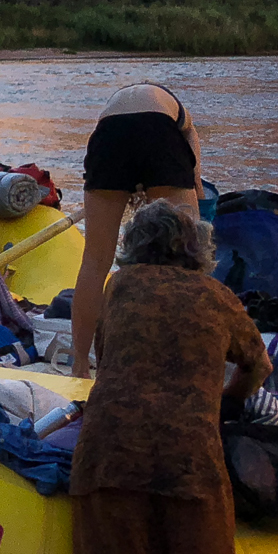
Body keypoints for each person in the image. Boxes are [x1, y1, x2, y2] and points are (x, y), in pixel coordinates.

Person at [68, 199, 272, 554]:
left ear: (134, 247)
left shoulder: (119, 287)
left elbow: (107, 360)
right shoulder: (217, 297)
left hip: (109, 454)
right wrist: (225, 402)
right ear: (197, 250)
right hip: (190, 460)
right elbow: (258, 366)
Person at [70, 83, 202, 380]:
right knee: (188, 256)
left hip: (108, 138)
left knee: (95, 260)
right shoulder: (178, 114)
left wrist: (131, 185)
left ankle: (79, 365)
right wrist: (196, 184)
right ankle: (188, 356)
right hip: (158, 133)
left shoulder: (116, 105)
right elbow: (190, 144)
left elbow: (126, 146)